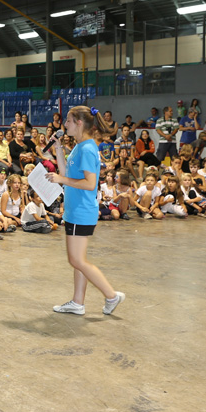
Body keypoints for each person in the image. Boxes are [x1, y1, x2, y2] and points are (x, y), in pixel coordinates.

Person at [46, 106, 124, 317]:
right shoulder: (79, 147)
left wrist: (61, 179)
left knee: (77, 260)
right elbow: (65, 173)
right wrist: (59, 148)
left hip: (82, 211)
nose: (65, 125)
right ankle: (78, 302)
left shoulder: (88, 148)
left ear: (79, 123)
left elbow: (90, 184)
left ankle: (111, 295)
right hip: (74, 210)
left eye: (69, 121)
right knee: (78, 259)